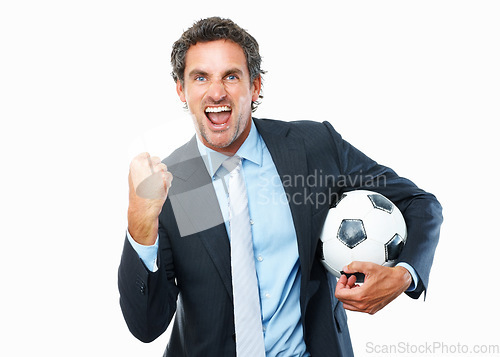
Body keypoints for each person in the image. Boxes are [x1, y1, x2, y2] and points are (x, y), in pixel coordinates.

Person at [118, 17, 442, 357]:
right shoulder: (175, 183)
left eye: (231, 76)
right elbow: (146, 326)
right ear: (182, 90)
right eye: (201, 77)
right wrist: (140, 223)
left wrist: (404, 275)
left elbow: (420, 203)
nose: (216, 92)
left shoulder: (311, 148)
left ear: (255, 86)